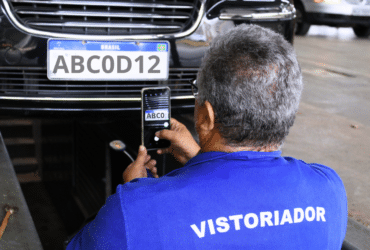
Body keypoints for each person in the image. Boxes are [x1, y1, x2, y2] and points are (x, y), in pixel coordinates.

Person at [67, 24, 347, 249]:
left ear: (205, 117)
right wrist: (200, 159)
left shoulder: (134, 211)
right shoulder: (329, 188)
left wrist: (135, 194)